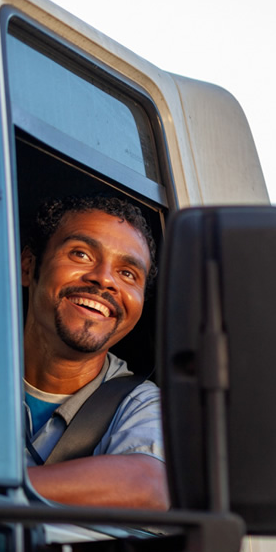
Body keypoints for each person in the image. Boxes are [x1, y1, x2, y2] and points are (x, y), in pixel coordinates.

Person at [21, 196, 167, 510]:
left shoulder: (141, 406)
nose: (104, 278)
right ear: (28, 265)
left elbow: (148, 485)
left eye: (128, 274)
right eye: (81, 254)